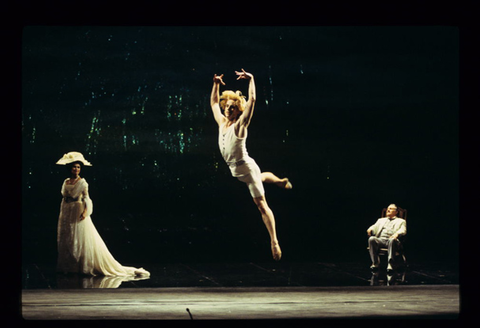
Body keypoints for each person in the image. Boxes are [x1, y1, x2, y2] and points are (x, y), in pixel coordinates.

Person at [210, 69, 292, 261]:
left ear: (238, 110)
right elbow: (214, 103)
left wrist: (252, 79)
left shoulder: (240, 125)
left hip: (245, 167)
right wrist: (215, 84)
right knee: (261, 177)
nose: (228, 110)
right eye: (227, 107)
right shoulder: (222, 122)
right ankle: (279, 181)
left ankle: (274, 241)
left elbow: (252, 101)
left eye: (232, 108)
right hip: (237, 171)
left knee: (261, 204)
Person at [56, 151, 150, 277]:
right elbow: (64, 195)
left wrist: (85, 212)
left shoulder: (83, 182)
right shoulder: (66, 181)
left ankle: (82, 265)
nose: (76, 169)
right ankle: (70, 266)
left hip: (77, 209)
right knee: (68, 236)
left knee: (79, 236)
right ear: (70, 168)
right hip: (67, 209)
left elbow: (86, 198)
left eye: (78, 167)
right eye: (74, 166)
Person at [367, 204, 407, 272]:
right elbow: (374, 226)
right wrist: (370, 229)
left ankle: (390, 264)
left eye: (391, 209)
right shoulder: (381, 220)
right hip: (381, 240)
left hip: (392, 240)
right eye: (388, 208)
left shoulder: (401, 221)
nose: (388, 210)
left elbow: (403, 230)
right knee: (371, 239)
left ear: (396, 212)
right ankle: (375, 263)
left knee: (392, 240)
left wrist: (396, 234)